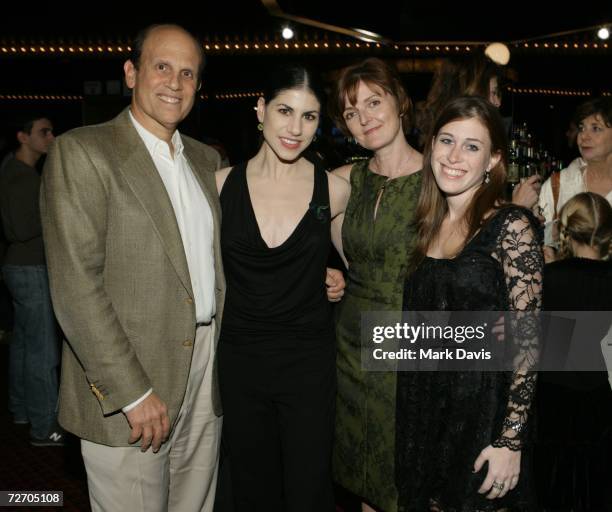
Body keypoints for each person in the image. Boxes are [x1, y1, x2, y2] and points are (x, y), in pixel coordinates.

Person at [41, 24, 225, 511]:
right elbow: (75, 286)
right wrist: (132, 391)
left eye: (188, 73)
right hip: (133, 377)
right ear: (131, 73)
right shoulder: (83, 151)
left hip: (205, 371)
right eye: (161, 66)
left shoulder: (206, 161)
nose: (174, 82)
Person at [396, 96, 542, 511]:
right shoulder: (426, 226)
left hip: (483, 417)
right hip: (424, 414)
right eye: (446, 140)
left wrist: (510, 440)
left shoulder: (510, 226)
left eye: (472, 146)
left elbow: (528, 342)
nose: (454, 156)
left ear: (493, 160)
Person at [215, 65, 350, 511]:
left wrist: (341, 278)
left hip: (307, 366)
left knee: (308, 490)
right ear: (261, 109)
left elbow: (359, 265)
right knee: (253, 489)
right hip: (240, 364)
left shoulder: (334, 190)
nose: (295, 128)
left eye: (309, 117)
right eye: (285, 111)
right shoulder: (219, 186)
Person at [328, 57, 423, 512]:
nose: (364, 117)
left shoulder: (439, 178)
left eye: (373, 101)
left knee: (403, 478)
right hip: (350, 344)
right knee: (364, 477)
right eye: (351, 111)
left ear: (399, 102)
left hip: (412, 344)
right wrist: (323, 271)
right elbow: (279, 228)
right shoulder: (347, 180)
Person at [536, 192, 612, 511]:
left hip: (552, 401)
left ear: (564, 230)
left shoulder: (547, 279)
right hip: (599, 403)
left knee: (553, 491)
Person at [0, 114, 62, 446]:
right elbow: (21, 229)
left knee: (24, 346)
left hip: (19, 268)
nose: (51, 136)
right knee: (42, 353)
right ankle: (44, 427)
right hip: (31, 269)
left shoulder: (14, 170)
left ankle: (22, 409)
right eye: (44, 131)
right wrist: (54, 209)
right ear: (23, 136)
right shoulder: (22, 177)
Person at [538, 97, 612, 253]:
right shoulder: (558, 184)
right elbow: (536, 241)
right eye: (581, 128)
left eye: (595, 128)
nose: (583, 136)